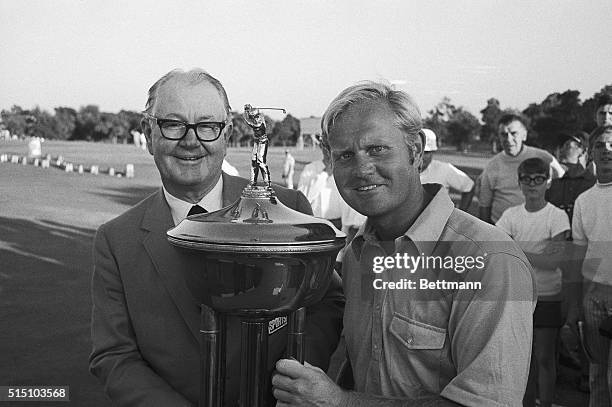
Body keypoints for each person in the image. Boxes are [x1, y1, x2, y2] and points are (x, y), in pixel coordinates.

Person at [89, 68, 344, 407]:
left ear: (226, 136)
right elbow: (114, 356)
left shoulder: (288, 207)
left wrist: (292, 378)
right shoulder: (116, 240)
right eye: (173, 124)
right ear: (148, 135)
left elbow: (326, 304)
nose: (191, 141)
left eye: (207, 126)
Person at [272, 81, 535, 406]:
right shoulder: (357, 257)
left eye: (377, 149)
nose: (362, 168)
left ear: (416, 149)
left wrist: (341, 402)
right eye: (345, 155)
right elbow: (365, 372)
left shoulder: (489, 259)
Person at [496, 158, 571, 407]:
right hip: (518, 298)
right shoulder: (510, 215)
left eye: (539, 179)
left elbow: (554, 261)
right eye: (526, 179)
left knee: (544, 358)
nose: (532, 184)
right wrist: (531, 254)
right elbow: (499, 256)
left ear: (548, 182)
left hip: (548, 295)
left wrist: (517, 250)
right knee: (522, 360)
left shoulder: (557, 216)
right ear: (519, 183)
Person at [570, 125, 612, 407]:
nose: (607, 150)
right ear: (591, 153)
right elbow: (578, 254)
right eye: (601, 145)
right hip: (594, 296)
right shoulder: (584, 201)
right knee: (597, 374)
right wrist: (574, 304)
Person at [478, 113, 565, 224]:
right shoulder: (492, 166)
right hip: (503, 231)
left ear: (524, 135)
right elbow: (484, 205)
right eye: (503, 134)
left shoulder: (544, 157)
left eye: (513, 133)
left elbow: (563, 181)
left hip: (538, 228)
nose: (508, 139)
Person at [419, 128, 475, 211]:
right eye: (419, 151)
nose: (421, 156)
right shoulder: (402, 170)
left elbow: (469, 186)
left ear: (433, 152)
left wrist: (459, 216)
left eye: (426, 152)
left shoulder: (444, 169)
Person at [547, 131, 596, 222]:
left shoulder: (593, 184)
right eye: (561, 146)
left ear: (584, 151)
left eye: (567, 145)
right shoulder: (550, 181)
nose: (561, 150)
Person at [243, 104, 271, 187]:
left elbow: (250, 122)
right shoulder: (254, 117)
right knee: (253, 162)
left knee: (261, 162)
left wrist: (246, 113)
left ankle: (267, 182)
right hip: (256, 142)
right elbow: (248, 118)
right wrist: (247, 110)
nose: (254, 118)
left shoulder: (259, 121)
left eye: (254, 116)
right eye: (252, 116)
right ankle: (253, 182)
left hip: (263, 142)